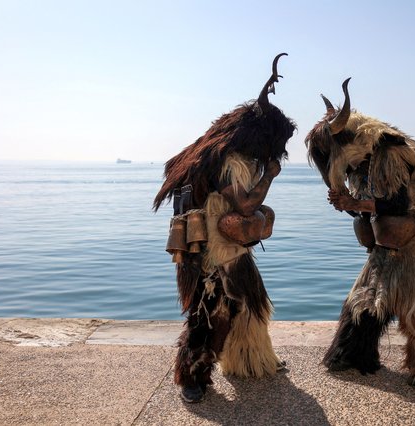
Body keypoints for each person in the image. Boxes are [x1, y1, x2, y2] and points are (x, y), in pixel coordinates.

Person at [153, 54, 296, 403]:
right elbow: (245, 204)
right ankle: (192, 376)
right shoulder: (232, 161)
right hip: (212, 255)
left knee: (252, 302)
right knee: (211, 314)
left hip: (223, 249)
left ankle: (252, 361)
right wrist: (270, 176)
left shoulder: (221, 153)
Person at [305, 78, 415, 390]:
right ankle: (354, 356)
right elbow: (368, 208)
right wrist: (348, 205)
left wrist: (353, 201)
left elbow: (399, 203)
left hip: (410, 242)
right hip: (383, 243)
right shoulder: (362, 163)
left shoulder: (389, 151)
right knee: (364, 302)